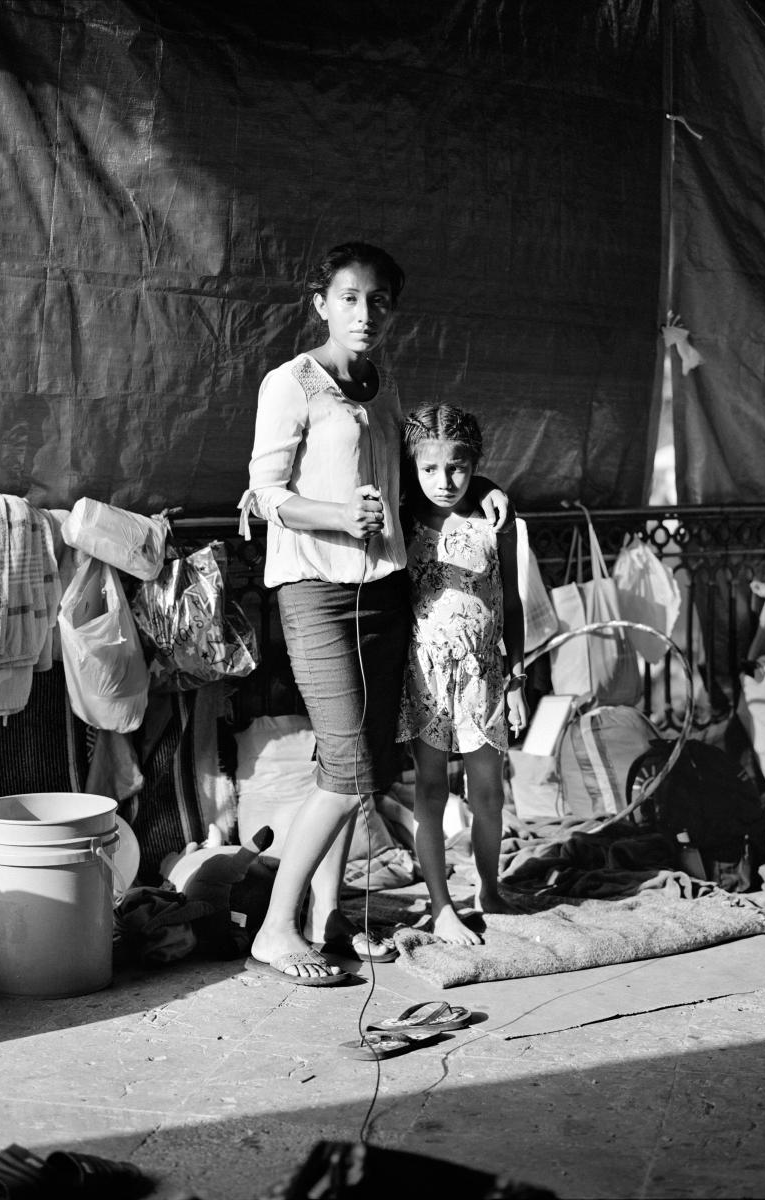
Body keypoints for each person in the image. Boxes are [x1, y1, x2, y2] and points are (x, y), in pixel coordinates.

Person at [238, 242, 509, 984]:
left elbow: (413, 478)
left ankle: (328, 916)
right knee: (351, 768)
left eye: (378, 301)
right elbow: (266, 494)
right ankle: (275, 928)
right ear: (320, 303)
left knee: (353, 762)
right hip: (318, 594)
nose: (364, 314)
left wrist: (478, 485)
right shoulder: (289, 384)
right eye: (349, 299)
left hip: (385, 596)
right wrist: (334, 513)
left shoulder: (380, 387)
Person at [397, 405, 528, 945]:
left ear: (475, 465)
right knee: (429, 790)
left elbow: (513, 602)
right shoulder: (403, 516)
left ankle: (489, 888)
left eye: (457, 467)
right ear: (413, 469)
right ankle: (440, 902)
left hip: (486, 673)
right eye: (429, 469)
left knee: (489, 792)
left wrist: (517, 679)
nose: (443, 481)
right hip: (425, 674)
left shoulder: (497, 521)